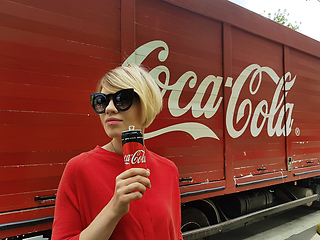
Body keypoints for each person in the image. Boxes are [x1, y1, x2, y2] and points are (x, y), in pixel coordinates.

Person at [51, 64, 183, 240]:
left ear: (146, 104)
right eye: (102, 101)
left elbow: (175, 235)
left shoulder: (168, 169)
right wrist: (114, 209)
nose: (109, 108)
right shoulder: (79, 169)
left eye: (122, 99)